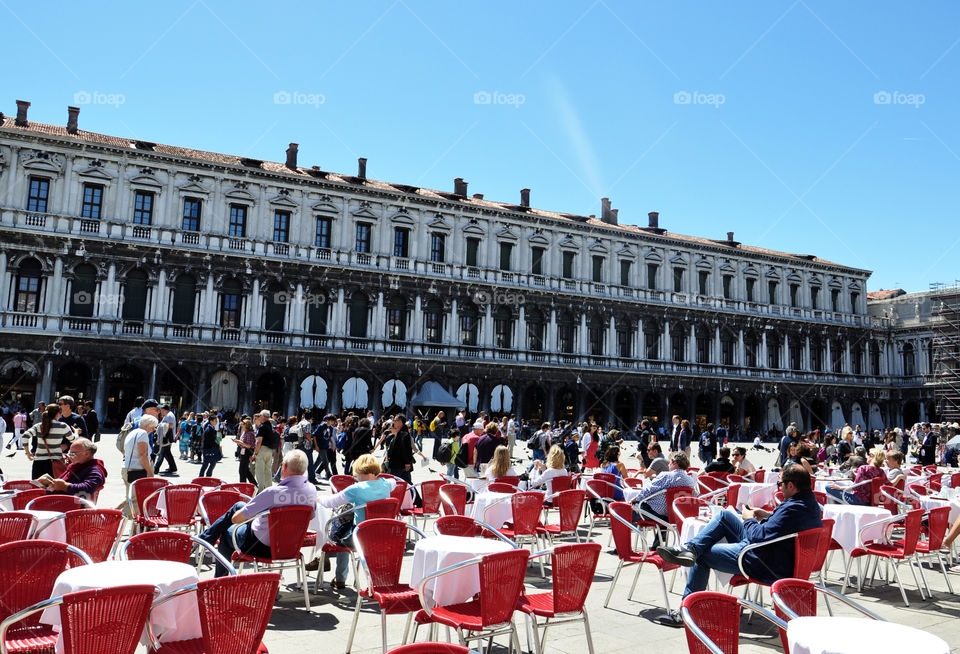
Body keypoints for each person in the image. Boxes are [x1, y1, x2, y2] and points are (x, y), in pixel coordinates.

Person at [656, 464, 823, 627]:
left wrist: (749, 518)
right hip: (775, 555)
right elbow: (785, 525)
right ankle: (690, 549)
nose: (779, 489)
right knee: (724, 516)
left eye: (780, 485)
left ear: (791, 485)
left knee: (703, 555)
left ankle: (688, 612)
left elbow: (758, 536)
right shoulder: (809, 504)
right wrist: (769, 516)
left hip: (762, 561)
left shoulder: (792, 509)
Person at [199, 450, 317, 577]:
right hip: (291, 546)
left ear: (285, 467)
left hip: (262, 546)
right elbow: (310, 516)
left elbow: (236, 519)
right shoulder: (311, 491)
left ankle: (219, 578)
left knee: (227, 531)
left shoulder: (273, 493)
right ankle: (207, 537)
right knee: (239, 505)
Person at [308, 453, 394, 587]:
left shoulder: (356, 489)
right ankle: (331, 566)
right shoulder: (386, 484)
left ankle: (332, 567)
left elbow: (330, 502)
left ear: (359, 471)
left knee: (340, 525)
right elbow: (394, 481)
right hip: (382, 534)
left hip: (361, 536)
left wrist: (317, 498)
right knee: (344, 527)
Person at [629, 451, 695, 528]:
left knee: (627, 510)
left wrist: (634, 499)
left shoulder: (666, 476)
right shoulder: (690, 480)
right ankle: (661, 538)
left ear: (675, 463)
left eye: (669, 463)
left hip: (655, 514)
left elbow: (648, 490)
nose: (668, 465)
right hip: (676, 514)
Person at [37, 437, 106, 500]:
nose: (69, 457)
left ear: (87, 453)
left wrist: (65, 486)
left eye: (73, 454)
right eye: (69, 454)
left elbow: (87, 488)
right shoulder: (75, 466)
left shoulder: (94, 470)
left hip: (71, 506)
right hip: (59, 501)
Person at [23, 404, 72, 478]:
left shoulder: (39, 426)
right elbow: (73, 439)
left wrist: (28, 453)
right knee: (55, 488)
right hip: (56, 462)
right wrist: (77, 433)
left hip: (39, 462)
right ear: (58, 413)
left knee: (38, 487)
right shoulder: (63, 426)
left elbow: (25, 436)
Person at [122, 414, 157, 486]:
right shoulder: (143, 434)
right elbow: (142, 455)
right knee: (138, 496)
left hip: (128, 469)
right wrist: (149, 472)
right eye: (153, 427)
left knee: (130, 496)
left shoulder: (133, 432)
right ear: (148, 425)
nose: (153, 430)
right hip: (137, 471)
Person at [252, 410, 279, 491]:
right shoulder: (270, 426)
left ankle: (260, 490)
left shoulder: (262, 427)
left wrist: (255, 453)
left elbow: (259, 442)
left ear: (263, 417)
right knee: (267, 471)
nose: (259, 417)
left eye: (260, 415)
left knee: (259, 471)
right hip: (269, 450)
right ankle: (269, 489)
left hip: (262, 449)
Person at [385, 415, 415, 483]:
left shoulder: (404, 433)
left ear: (400, 422)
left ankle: (413, 493)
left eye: (395, 420)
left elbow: (406, 449)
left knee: (405, 482)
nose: (394, 422)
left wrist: (407, 463)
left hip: (400, 464)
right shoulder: (399, 432)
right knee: (403, 482)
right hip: (397, 463)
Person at [153, 405, 179, 476]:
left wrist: (165, 437)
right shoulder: (168, 415)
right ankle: (173, 467)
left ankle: (156, 469)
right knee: (167, 454)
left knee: (161, 453)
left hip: (166, 438)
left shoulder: (169, 416)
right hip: (166, 438)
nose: (160, 411)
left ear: (165, 410)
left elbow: (170, 426)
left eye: (161, 410)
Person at [231, 418, 258, 486]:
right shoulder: (245, 433)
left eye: (242, 426)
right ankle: (251, 485)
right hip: (243, 452)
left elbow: (249, 446)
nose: (241, 427)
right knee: (245, 471)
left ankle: (246, 485)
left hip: (247, 452)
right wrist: (238, 442)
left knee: (243, 471)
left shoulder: (249, 433)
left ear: (246, 426)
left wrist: (239, 442)